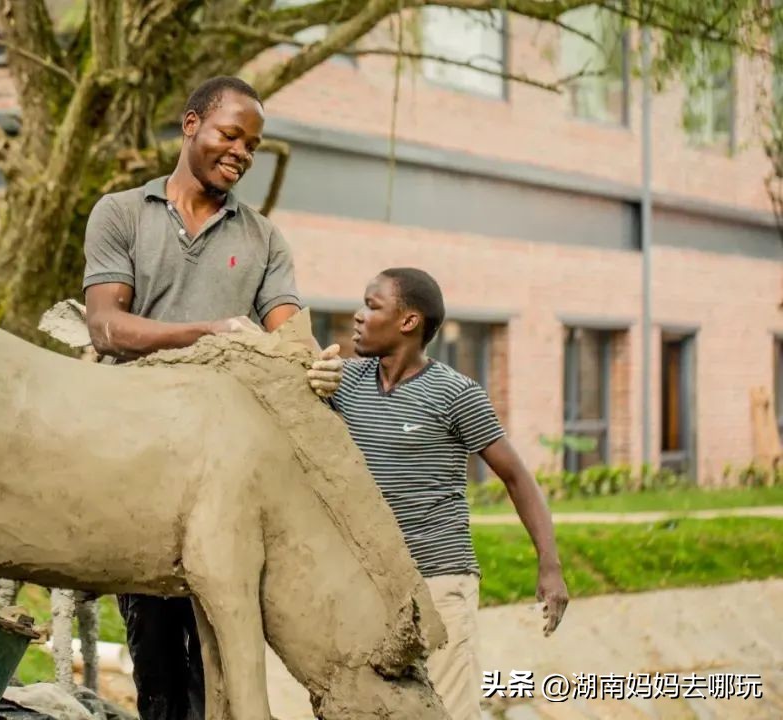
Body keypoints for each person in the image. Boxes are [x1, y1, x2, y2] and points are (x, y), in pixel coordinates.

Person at [82, 76, 343, 720]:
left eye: (253, 145)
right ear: (191, 124)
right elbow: (106, 326)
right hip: (138, 459)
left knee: (226, 646)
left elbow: (291, 334)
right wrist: (212, 332)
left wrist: (318, 366)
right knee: (159, 654)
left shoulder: (262, 239)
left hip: (225, 470)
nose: (242, 153)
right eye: (231, 134)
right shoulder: (119, 214)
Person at [328, 267, 569, 720]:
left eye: (372, 306)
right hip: (369, 583)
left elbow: (518, 478)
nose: (358, 317)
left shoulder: (456, 394)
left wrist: (550, 566)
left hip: (440, 581)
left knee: (451, 712)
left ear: (408, 321)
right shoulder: (347, 381)